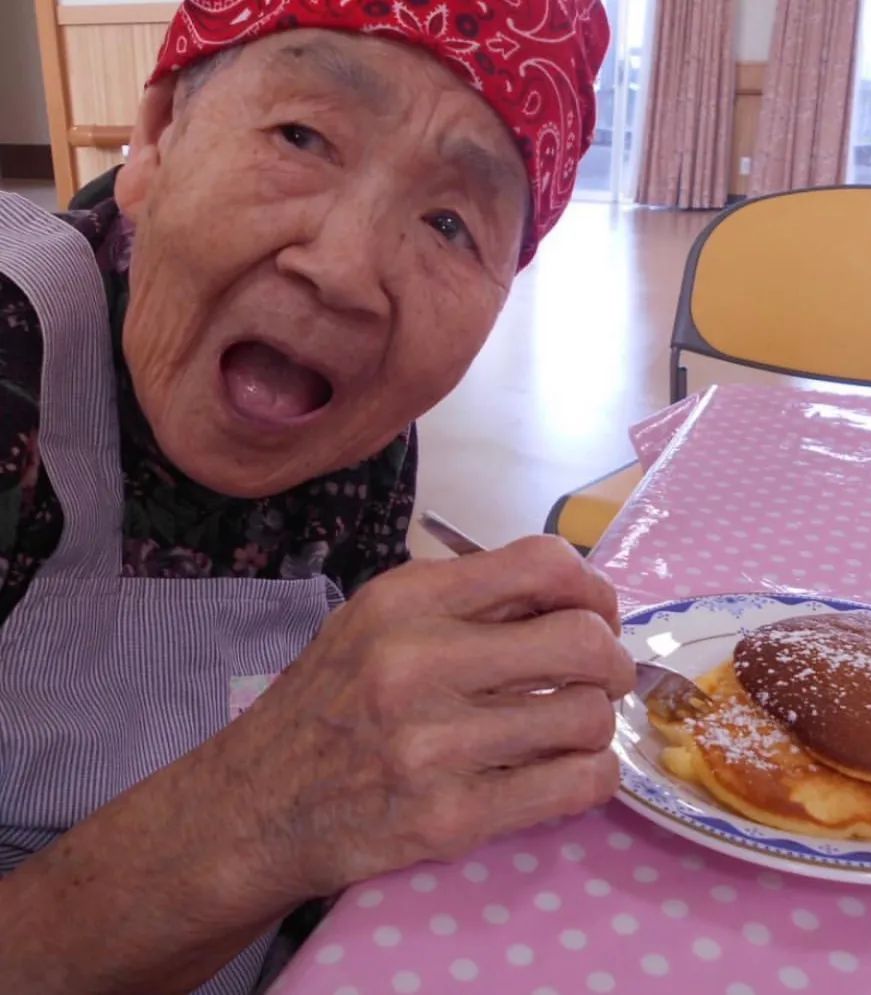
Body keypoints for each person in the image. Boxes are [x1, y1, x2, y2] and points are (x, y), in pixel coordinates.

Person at [0, 3, 635, 993]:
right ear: (158, 137)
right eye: (303, 135)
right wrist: (263, 804)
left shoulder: (357, 436)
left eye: (450, 224)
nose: (345, 270)